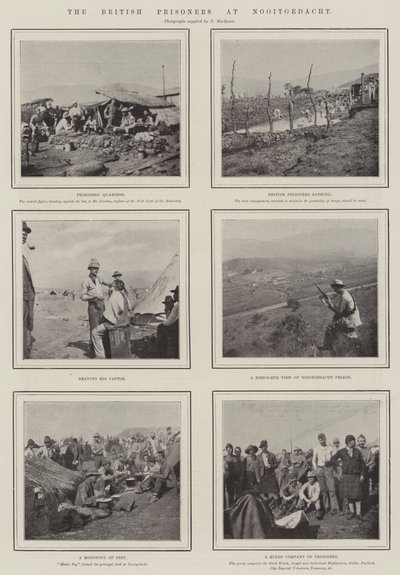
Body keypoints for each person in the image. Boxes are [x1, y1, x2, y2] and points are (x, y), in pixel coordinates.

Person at [318, 279, 362, 355]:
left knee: (329, 327)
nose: (334, 290)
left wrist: (328, 304)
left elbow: (338, 311)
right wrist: (330, 302)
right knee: (334, 320)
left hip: (350, 320)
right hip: (354, 318)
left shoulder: (343, 297)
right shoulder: (346, 293)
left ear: (337, 287)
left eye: (334, 288)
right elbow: (341, 310)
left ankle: (327, 346)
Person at [330, 434, 366, 521]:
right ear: (347, 442)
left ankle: (358, 513)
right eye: (350, 441)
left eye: (353, 441)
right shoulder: (342, 451)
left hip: (356, 476)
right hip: (346, 477)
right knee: (349, 496)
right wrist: (339, 464)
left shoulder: (357, 452)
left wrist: (362, 475)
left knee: (358, 496)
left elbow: (362, 465)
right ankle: (352, 512)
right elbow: (332, 459)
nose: (352, 443)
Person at [92, 279, 130, 359]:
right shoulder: (123, 295)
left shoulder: (115, 295)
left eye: (113, 283)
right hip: (124, 321)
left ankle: (101, 357)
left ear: (115, 285)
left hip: (116, 323)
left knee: (95, 332)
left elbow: (120, 309)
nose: (111, 284)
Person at [81, 258, 111, 357]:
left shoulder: (99, 279)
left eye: (97, 268)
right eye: (94, 268)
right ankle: (93, 352)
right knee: (94, 329)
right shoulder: (86, 281)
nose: (96, 270)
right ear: (89, 269)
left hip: (101, 306)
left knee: (103, 327)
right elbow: (83, 296)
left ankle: (104, 350)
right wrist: (93, 297)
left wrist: (113, 284)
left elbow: (109, 284)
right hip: (93, 306)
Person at [312, 433, 339, 515]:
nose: (322, 441)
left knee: (332, 488)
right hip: (320, 469)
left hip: (328, 468)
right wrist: (316, 469)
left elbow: (335, 459)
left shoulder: (331, 448)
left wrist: (329, 461)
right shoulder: (316, 449)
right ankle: (326, 507)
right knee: (323, 490)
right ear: (318, 440)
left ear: (325, 439)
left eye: (323, 439)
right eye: (320, 439)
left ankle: (334, 507)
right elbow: (313, 460)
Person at [22, 221, 35, 359]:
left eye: (26, 231)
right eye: (21, 230)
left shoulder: (22, 256)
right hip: (20, 302)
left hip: (27, 302)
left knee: (26, 330)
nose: (24, 233)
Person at [156, 286, 179, 358]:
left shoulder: (176, 306)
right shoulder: (175, 306)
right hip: (175, 326)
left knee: (160, 328)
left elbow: (170, 320)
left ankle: (161, 351)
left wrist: (162, 324)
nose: (174, 295)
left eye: (175, 294)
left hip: (175, 328)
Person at [257, 440, 279, 505]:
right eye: (262, 447)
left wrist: (271, 466)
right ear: (261, 448)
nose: (264, 448)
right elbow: (257, 469)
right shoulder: (258, 457)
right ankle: (267, 505)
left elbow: (276, 464)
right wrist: (258, 478)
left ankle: (277, 504)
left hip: (271, 474)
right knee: (265, 492)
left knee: (275, 490)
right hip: (263, 475)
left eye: (265, 446)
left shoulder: (272, 455)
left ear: (267, 446)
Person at [356, 434, 374, 511]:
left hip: (366, 471)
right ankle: (358, 508)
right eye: (360, 441)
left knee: (366, 489)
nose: (362, 442)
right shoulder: (355, 450)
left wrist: (367, 465)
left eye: (363, 441)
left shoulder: (368, 450)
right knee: (358, 489)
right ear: (357, 441)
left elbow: (372, 460)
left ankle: (366, 506)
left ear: (365, 441)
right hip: (357, 472)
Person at [223, 443, 237, 508]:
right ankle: (229, 508)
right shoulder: (224, 458)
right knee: (228, 494)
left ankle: (235, 508)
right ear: (226, 450)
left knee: (235, 494)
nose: (231, 450)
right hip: (228, 478)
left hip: (235, 478)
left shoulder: (235, 457)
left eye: (231, 448)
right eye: (229, 449)